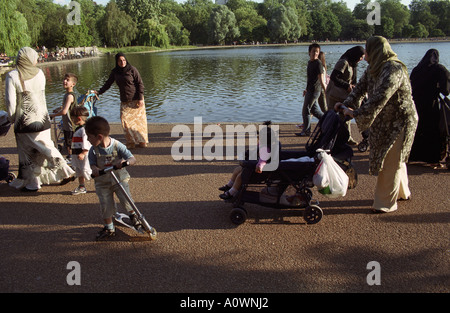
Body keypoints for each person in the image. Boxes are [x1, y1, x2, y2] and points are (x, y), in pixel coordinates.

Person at [335, 36, 418, 213]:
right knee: (395, 157)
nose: (365, 55)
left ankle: (385, 203)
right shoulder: (374, 67)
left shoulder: (394, 69)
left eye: (367, 50)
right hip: (385, 120)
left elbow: (381, 96)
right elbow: (359, 89)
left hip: (400, 120)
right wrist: (346, 104)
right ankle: (402, 192)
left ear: (376, 51)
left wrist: (356, 113)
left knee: (390, 159)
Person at [4, 47, 75, 192]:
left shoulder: (12, 75)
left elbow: (10, 102)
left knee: (27, 153)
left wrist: (12, 118)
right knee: (46, 147)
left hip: (24, 121)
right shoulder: (40, 73)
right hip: (43, 118)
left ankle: (34, 183)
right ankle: (62, 172)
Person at [85, 116, 138, 240]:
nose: (87, 139)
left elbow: (132, 158)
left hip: (119, 179)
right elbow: (92, 163)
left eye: (89, 137)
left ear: (99, 137)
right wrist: (94, 169)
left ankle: (134, 216)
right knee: (105, 204)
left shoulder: (117, 145)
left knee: (126, 199)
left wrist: (125, 162)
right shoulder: (93, 150)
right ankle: (109, 227)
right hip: (103, 181)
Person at [96, 53, 148, 149]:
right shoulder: (115, 72)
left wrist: (140, 98)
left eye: (124, 60)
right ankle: (131, 142)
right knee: (125, 121)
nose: (122, 62)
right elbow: (108, 83)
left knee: (139, 122)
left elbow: (140, 84)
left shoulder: (132, 69)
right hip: (125, 101)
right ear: (116, 61)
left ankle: (142, 141)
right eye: (120, 60)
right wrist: (99, 92)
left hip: (136, 99)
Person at [409, 49, 450, 168]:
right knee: (432, 130)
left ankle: (412, 156)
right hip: (430, 104)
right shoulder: (439, 69)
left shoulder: (417, 69)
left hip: (415, 103)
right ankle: (432, 159)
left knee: (417, 129)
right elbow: (446, 90)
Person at [326, 46, 365, 145]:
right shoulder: (343, 62)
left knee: (346, 116)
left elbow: (353, 80)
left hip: (343, 95)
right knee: (332, 116)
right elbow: (334, 77)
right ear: (356, 55)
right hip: (333, 94)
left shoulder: (353, 63)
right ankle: (328, 138)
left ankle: (346, 138)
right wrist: (347, 85)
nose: (362, 59)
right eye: (361, 57)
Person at [296, 43, 325, 137]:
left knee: (306, 110)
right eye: (313, 51)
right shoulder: (310, 63)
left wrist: (326, 91)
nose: (315, 53)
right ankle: (327, 120)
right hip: (310, 90)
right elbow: (310, 79)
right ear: (309, 52)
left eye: (317, 52)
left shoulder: (318, 64)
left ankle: (306, 131)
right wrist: (306, 89)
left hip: (315, 91)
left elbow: (321, 80)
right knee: (315, 111)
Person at [50, 73, 78, 159]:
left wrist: (53, 115)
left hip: (70, 125)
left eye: (67, 80)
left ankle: (72, 158)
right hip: (66, 124)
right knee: (68, 142)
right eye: (64, 79)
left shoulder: (70, 96)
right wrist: (58, 108)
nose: (64, 81)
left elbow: (64, 112)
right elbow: (65, 106)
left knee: (70, 143)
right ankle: (71, 157)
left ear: (73, 84)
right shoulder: (67, 95)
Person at [69, 106, 92, 195]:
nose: (72, 121)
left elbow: (86, 141)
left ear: (78, 119)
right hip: (76, 153)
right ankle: (81, 186)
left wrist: (84, 152)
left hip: (82, 154)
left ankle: (104, 184)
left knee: (86, 170)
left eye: (73, 119)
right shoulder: (80, 129)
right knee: (79, 171)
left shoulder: (84, 130)